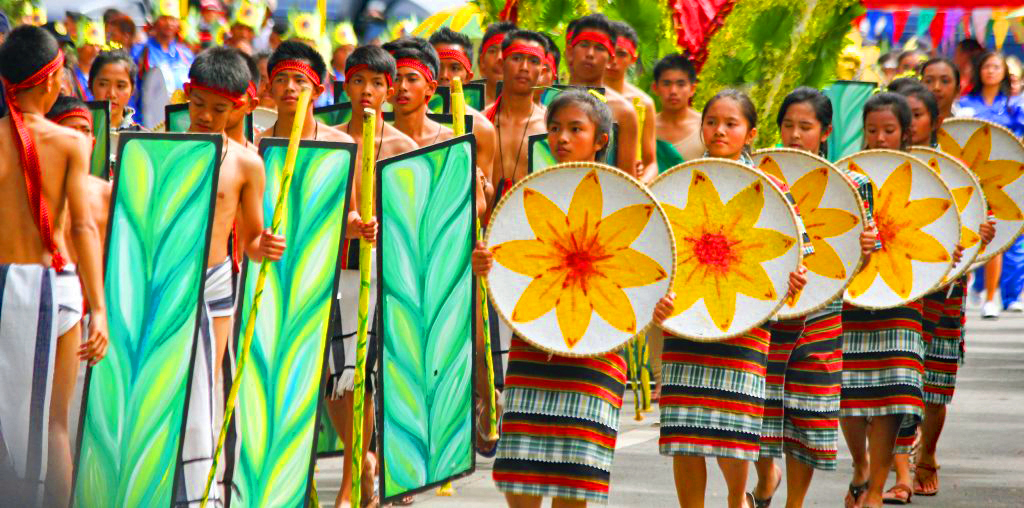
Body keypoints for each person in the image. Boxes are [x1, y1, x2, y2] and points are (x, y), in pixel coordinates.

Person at [471, 89, 676, 507]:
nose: (561, 138)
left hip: (599, 348)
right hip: (535, 343)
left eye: (575, 129)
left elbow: (650, 274)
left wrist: (658, 304)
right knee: (520, 476)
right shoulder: (529, 194)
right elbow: (512, 266)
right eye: (555, 129)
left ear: (602, 139)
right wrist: (486, 266)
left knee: (575, 478)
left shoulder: (631, 200)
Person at [658, 89, 807, 508]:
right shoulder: (680, 180)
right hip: (686, 318)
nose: (719, 130)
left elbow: (799, 252)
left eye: (731, 123)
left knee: (733, 427)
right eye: (711, 122)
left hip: (746, 320)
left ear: (751, 133)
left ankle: (735, 501)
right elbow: (655, 247)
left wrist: (793, 279)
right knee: (685, 434)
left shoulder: (773, 189)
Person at [748, 87, 881, 508]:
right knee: (763, 408)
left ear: (825, 131)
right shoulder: (755, 176)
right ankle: (767, 475)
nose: (795, 134)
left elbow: (851, 269)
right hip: (767, 309)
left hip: (822, 312)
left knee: (807, 411)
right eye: (787, 125)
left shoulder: (854, 185)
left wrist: (863, 250)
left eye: (805, 127)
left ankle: (795, 502)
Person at [0, 25, 108, 505]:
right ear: (52, 82)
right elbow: (82, 229)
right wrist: (99, 308)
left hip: (5, 283)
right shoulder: (69, 143)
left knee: (11, 427)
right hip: (52, 284)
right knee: (54, 425)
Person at [178, 45, 286, 507]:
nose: (205, 115)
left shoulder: (246, 163)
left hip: (216, 282)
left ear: (241, 105)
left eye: (219, 108)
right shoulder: (158, 149)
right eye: (199, 104)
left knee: (207, 390)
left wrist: (267, 247)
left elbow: (251, 241)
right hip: (162, 282)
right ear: (186, 95)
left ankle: (206, 493)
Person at [880, 80, 996, 504]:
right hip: (896, 287)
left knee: (935, 383)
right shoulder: (874, 168)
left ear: (934, 121)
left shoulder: (954, 172)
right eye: (899, 116)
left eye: (916, 115)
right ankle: (899, 472)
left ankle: (926, 454)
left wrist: (979, 234)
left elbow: (972, 222)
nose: (907, 124)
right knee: (899, 377)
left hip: (946, 287)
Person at [328, 43, 418, 508]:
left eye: (378, 84)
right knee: (335, 379)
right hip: (336, 270)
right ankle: (361, 459)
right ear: (346, 85)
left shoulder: (404, 148)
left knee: (369, 375)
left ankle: (353, 483)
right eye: (359, 81)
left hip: (383, 273)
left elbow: (414, 217)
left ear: (389, 90)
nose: (367, 91)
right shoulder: (330, 141)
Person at [839, 92, 929, 508]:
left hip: (903, 296)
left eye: (889, 131)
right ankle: (860, 463)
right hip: (854, 298)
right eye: (872, 130)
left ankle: (876, 487)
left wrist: (965, 244)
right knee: (850, 395)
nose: (879, 138)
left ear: (906, 133)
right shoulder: (845, 177)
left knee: (895, 388)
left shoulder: (929, 176)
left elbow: (942, 237)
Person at [956, 51, 1024, 318]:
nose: (991, 71)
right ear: (979, 70)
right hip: (973, 177)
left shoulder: (1014, 105)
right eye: (987, 66)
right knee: (979, 232)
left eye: (997, 67)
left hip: (1008, 178)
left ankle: (1008, 295)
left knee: (1012, 236)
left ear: (1004, 72)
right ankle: (983, 285)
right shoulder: (966, 104)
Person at [563, 14, 646, 181]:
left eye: (600, 48)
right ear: (570, 52)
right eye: (584, 45)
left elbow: (626, 181)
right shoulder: (546, 100)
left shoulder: (624, 112)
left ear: (611, 59)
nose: (590, 54)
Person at [428, 27, 498, 205]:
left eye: (454, 68)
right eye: (437, 67)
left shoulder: (482, 128)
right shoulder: (406, 117)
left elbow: (487, 197)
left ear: (468, 77)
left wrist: (480, 180)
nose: (444, 75)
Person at [485, 29, 548, 204]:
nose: (524, 68)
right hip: (485, 227)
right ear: (501, 63)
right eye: (517, 58)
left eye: (533, 61)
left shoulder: (550, 126)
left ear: (542, 72)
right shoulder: (482, 123)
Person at [605, 20, 657, 183]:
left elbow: (651, 164)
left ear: (633, 58)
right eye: (609, 52)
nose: (614, 60)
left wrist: (641, 184)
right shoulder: (582, 96)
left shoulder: (644, 103)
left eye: (621, 54)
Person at [651, 53, 704, 168]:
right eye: (666, 84)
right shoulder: (646, 127)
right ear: (655, 88)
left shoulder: (706, 127)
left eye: (681, 84)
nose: (673, 91)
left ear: (692, 89)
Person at [89, 49, 143, 131]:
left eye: (120, 86)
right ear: (90, 85)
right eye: (103, 84)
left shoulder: (140, 139)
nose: (111, 94)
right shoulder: (75, 132)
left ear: (132, 90)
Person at [478, 21, 517, 109]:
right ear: (482, 61)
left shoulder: (541, 115)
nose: (500, 57)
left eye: (506, 50)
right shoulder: (463, 106)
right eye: (492, 51)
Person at [71, 18, 104, 100]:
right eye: (90, 45)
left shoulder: (104, 74)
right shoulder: (70, 75)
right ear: (79, 47)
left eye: (98, 45)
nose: (95, 49)